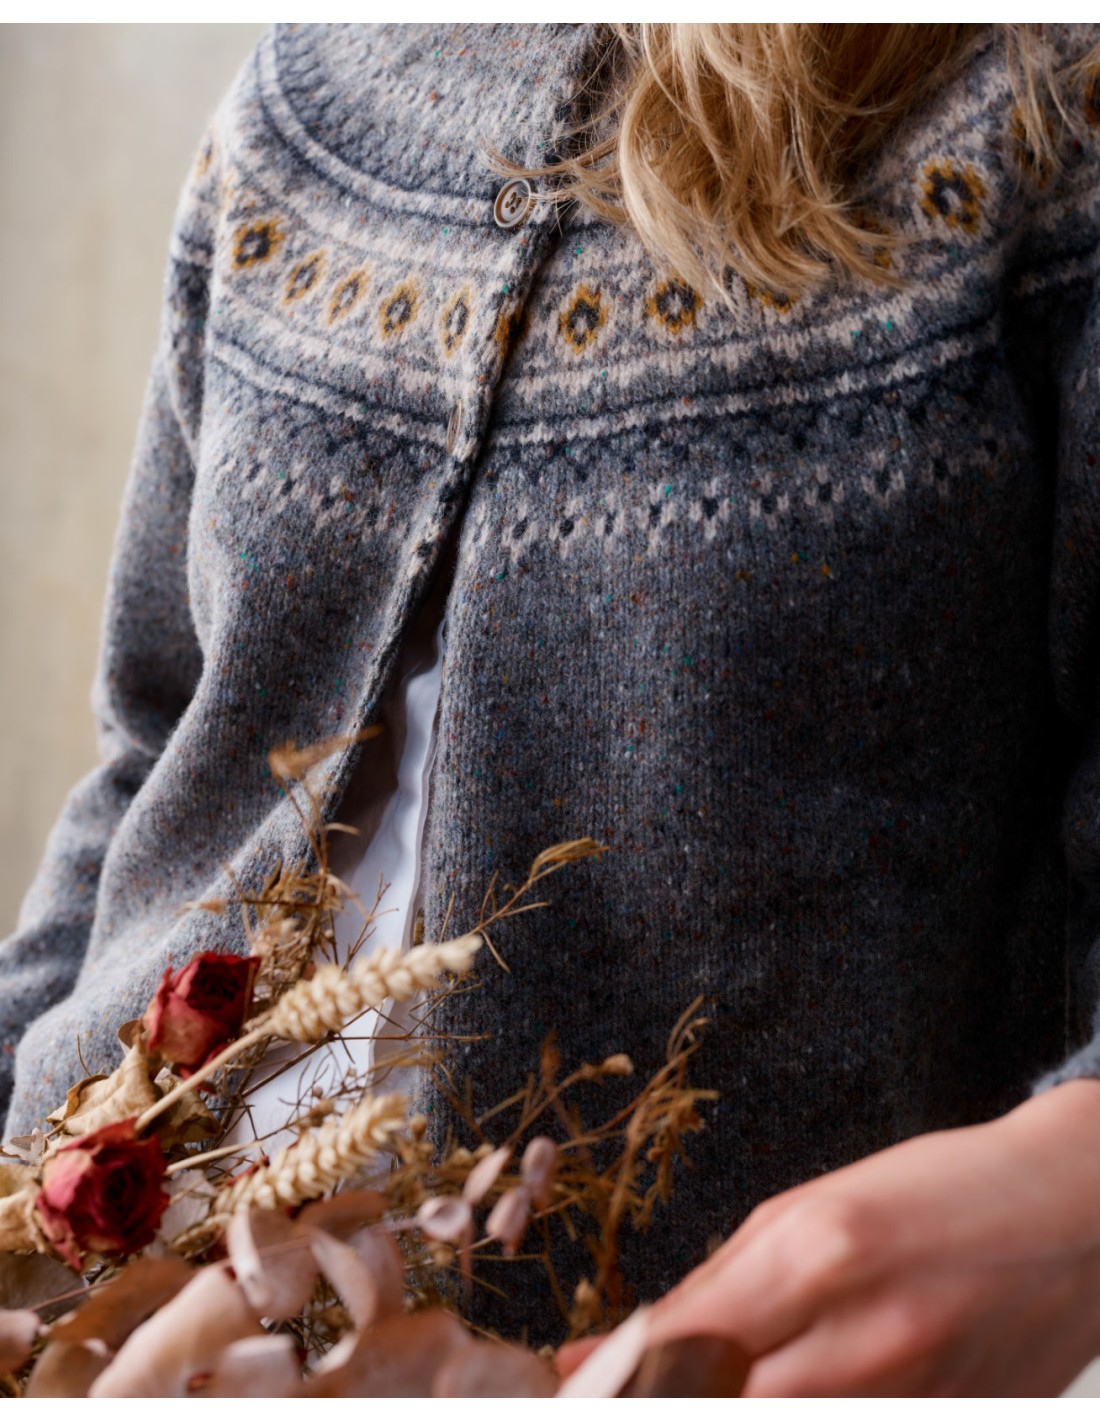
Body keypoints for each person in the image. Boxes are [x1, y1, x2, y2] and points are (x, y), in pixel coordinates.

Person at [3, 21, 1100, 1395]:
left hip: (646, 1350)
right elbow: (156, 758)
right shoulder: (305, 92)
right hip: (86, 1316)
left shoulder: (1038, 108)